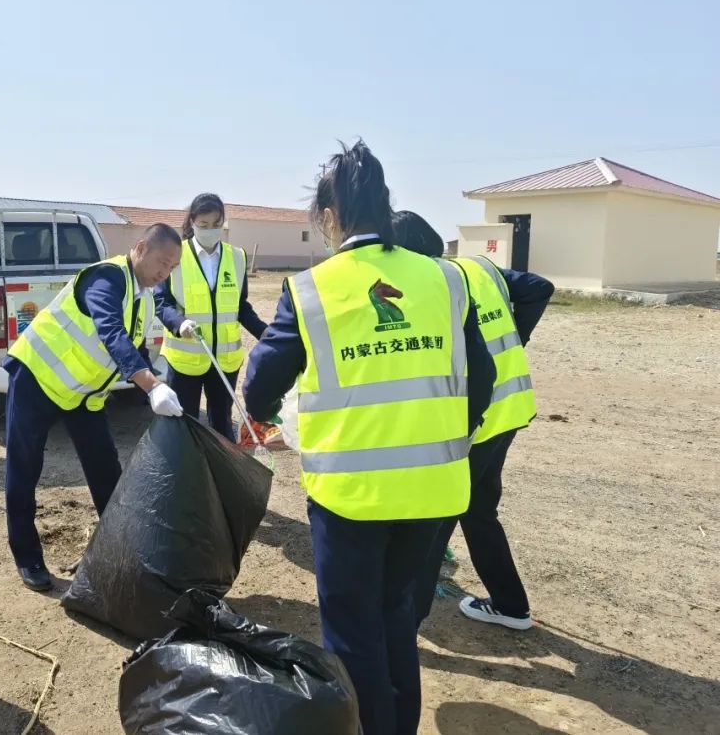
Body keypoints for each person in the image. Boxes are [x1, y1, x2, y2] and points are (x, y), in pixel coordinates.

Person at [243, 140, 495, 735]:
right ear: (386, 209)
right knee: (398, 621)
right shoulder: (445, 280)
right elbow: (479, 383)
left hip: (351, 497)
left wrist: (268, 416)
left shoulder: (312, 289)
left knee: (354, 636)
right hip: (434, 490)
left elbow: (259, 386)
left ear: (329, 218)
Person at [393, 210, 554, 632]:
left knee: (436, 519)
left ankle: (405, 622)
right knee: (479, 509)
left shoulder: (430, 283)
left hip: (478, 417)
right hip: (511, 407)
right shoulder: (477, 268)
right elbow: (540, 287)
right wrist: (518, 337)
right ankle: (510, 606)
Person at [2, 224, 185, 591]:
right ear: (139, 248)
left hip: (83, 395)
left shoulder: (144, 296)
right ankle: (28, 558)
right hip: (37, 378)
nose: (164, 273)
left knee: (105, 467)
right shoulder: (107, 279)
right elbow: (111, 332)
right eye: (162, 263)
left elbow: (132, 347)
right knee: (25, 468)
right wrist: (149, 385)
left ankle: (122, 546)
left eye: (171, 268)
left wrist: (156, 385)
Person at [155, 193, 268, 441]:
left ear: (223, 223)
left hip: (224, 361)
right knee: (184, 425)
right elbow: (161, 301)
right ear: (192, 222)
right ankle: (186, 477)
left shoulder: (236, 257)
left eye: (216, 225)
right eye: (203, 225)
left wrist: (266, 333)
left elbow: (241, 307)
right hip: (185, 359)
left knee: (222, 425)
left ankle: (222, 475)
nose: (209, 230)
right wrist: (179, 323)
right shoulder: (177, 254)